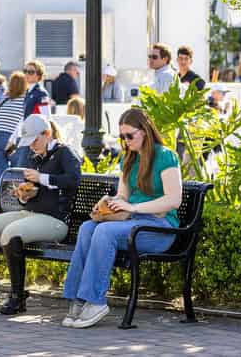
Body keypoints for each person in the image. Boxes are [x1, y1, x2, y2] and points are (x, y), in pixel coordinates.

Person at [62, 107, 182, 329]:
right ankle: (78, 298)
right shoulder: (129, 159)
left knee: (105, 232)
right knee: (88, 227)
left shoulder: (166, 156)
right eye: (122, 137)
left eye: (130, 136)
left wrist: (133, 207)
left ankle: (96, 301)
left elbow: (173, 200)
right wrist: (109, 203)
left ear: (144, 131)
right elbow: (123, 196)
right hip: (132, 224)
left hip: (160, 229)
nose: (126, 141)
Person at [0, 115, 82, 315]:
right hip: (29, 212)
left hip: (56, 220)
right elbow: (35, 192)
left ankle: (17, 296)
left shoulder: (64, 152)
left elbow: (74, 180)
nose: (32, 146)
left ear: (47, 134)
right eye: (29, 142)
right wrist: (25, 195)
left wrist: (42, 178)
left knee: (11, 233)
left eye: (34, 140)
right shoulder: (34, 156)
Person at [0, 71, 28, 182]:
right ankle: (11, 198)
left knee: (1, 169)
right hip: (10, 137)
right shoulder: (26, 99)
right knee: (16, 170)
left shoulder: (5, 98)